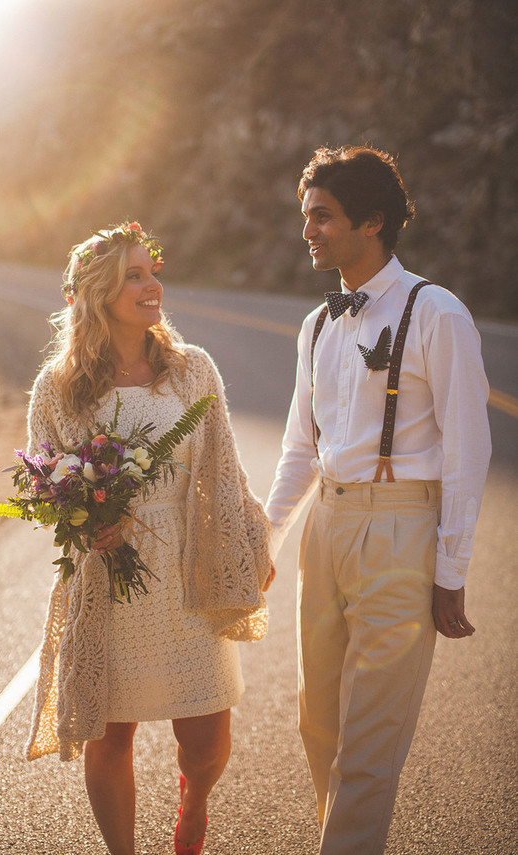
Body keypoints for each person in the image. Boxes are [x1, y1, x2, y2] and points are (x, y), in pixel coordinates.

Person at [265, 145, 491, 854]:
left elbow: (468, 449)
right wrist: (264, 537)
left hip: (400, 530)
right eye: (306, 217)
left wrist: (449, 569)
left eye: (322, 217)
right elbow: (301, 446)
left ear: (372, 222)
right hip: (325, 528)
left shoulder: (437, 313)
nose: (308, 231)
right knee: (318, 723)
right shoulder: (316, 325)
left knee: (368, 744)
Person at [24, 221, 273, 855]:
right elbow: (41, 482)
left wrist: (249, 540)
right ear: (97, 294)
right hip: (108, 578)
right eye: (134, 276)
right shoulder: (57, 387)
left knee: (207, 740)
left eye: (152, 271)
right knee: (111, 739)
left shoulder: (193, 371)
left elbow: (226, 468)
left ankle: (194, 807)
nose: (152, 285)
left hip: (192, 567)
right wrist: (81, 521)